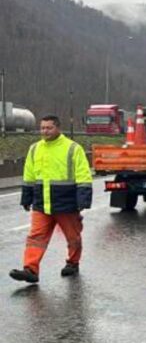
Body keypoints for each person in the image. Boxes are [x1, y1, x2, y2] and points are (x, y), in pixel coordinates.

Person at [9, 115, 93, 283]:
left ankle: (72, 263)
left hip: (66, 203)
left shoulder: (72, 148)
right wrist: (26, 197)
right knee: (36, 237)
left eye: (49, 128)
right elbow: (29, 176)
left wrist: (83, 199)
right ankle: (30, 269)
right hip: (42, 203)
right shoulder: (34, 148)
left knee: (73, 238)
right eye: (42, 128)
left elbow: (83, 174)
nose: (45, 131)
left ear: (58, 128)